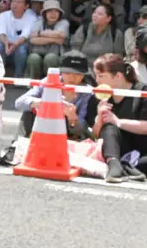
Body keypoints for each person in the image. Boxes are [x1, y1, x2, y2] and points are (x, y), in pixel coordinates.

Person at [92, 53, 147, 183]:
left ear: (117, 76)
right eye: (96, 76)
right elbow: (95, 134)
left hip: (143, 148)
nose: (97, 81)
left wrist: (118, 122)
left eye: (101, 76)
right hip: (117, 148)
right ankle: (115, 164)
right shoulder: (103, 96)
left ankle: (126, 166)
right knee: (109, 127)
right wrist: (100, 118)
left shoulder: (142, 92)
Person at [15, 50, 93, 140]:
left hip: (68, 135)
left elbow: (82, 129)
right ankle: (16, 146)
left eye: (77, 74)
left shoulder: (87, 92)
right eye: (68, 73)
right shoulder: (50, 81)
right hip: (44, 124)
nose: (72, 78)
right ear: (61, 72)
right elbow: (19, 103)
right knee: (29, 111)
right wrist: (44, 102)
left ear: (83, 75)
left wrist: (72, 117)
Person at [0, 0, 38, 78]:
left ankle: (18, 77)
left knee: (21, 50)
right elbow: (1, 33)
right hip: (6, 44)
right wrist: (7, 43)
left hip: (20, 44)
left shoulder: (31, 18)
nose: (15, 4)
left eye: (19, 2)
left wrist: (14, 45)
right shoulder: (3, 15)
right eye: (13, 1)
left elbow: (25, 35)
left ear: (26, 6)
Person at [25, 0, 70, 79]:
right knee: (33, 58)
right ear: (44, 13)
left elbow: (60, 34)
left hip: (57, 55)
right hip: (38, 53)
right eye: (49, 11)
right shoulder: (38, 22)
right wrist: (54, 40)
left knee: (50, 58)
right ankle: (33, 84)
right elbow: (32, 40)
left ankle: (51, 83)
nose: (53, 14)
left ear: (59, 14)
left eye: (56, 11)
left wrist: (39, 34)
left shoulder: (64, 22)